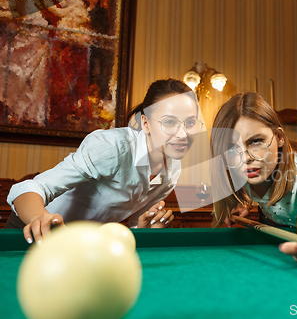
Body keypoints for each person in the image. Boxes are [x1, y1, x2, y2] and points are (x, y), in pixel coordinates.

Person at [6, 79, 203, 244]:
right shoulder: (113, 146)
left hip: (81, 244)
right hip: (32, 231)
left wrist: (146, 228)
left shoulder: (172, 169)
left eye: (190, 123)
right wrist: (38, 218)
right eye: (169, 122)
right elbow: (27, 189)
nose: (182, 134)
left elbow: (133, 226)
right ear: (145, 123)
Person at [210, 92, 297, 271]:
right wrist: (244, 201)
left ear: (279, 137)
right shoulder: (237, 166)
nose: (245, 158)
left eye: (256, 141)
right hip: (281, 225)